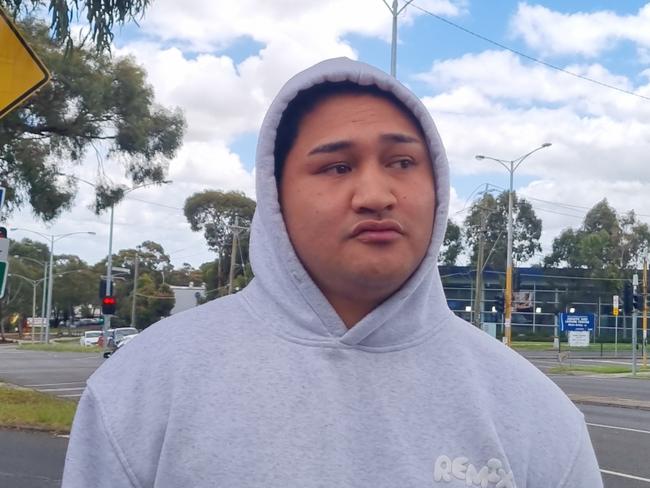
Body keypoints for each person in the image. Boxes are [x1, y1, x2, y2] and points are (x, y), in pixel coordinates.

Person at [62, 58, 602, 487]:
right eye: (336, 167)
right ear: (275, 196)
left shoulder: (537, 415)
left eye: (402, 163)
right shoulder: (141, 389)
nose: (375, 195)